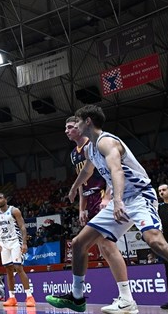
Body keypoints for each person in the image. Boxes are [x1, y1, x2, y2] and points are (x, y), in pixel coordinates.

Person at [46, 105, 168, 314]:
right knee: (79, 243)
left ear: (87, 121)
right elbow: (87, 170)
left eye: (76, 122)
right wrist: (73, 187)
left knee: (155, 242)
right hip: (122, 198)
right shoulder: (90, 148)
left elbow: (116, 171)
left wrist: (117, 200)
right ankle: (78, 298)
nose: (74, 127)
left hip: (139, 197)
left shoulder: (107, 141)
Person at [65, 116, 135, 309]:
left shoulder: (97, 143)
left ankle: (125, 297)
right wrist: (81, 207)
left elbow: (110, 171)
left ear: (81, 127)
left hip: (105, 195)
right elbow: (83, 180)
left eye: (70, 127)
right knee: (102, 246)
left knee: (106, 245)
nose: (67, 131)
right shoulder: (74, 154)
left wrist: (108, 198)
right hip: (90, 200)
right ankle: (124, 297)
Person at [0, 193, 35, 307]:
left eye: (0, 198)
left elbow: (22, 226)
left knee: (18, 267)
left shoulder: (14, 210)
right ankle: (12, 297)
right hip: (4, 244)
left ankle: (29, 296)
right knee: (8, 270)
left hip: (15, 242)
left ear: (5, 199)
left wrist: (24, 243)